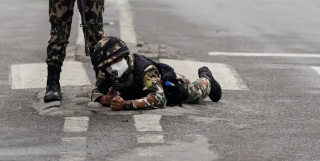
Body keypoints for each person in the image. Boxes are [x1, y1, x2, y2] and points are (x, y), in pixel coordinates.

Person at [90, 37, 222, 111]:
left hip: (170, 86)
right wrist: (103, 99)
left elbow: (159, 99)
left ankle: (207, 78)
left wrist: (126, 104)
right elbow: (96, 90)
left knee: (195, 94)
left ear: (124, 56)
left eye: (115, 61)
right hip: (139, 94)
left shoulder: (145, 70)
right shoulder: (106, 71)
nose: (112, 66)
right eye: (108, 64)